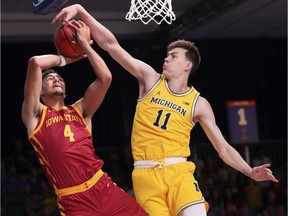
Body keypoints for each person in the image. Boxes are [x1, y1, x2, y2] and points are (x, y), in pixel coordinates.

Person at [52, 5, 279, 216]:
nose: (166, 58)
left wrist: (249, 171)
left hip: (178, 172)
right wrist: (82, 11)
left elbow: (223, 148)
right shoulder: (149, 79)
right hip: (145, 176)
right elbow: (111, 45)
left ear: (187, 66)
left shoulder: (198, 103)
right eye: (167, 55)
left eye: (173, 56)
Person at [21, 19, 148, 216]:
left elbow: (105, 77)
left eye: (59, 78)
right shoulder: (35, 115)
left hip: (103, 188)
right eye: (50, 79)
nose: (56, 79)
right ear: (39, 92)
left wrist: (86, 47)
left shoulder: (80, 110)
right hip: (74, 200)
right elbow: (35, 62)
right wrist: (68, 59)